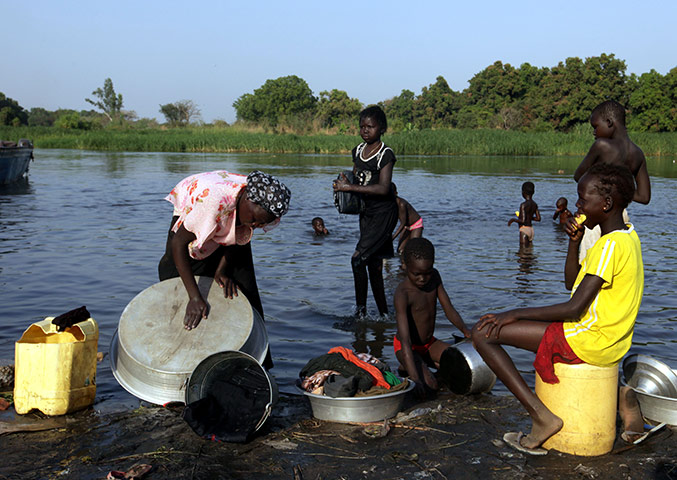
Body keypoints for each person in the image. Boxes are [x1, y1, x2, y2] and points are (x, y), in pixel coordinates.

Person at [472, 163, 643, 455]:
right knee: (493, 328)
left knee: (483, 333)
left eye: (582, 198)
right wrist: (573, 244)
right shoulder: (627, 236)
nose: (577, 205)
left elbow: (574, 308)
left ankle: (541, 417)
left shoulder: (609, 246)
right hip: (609, 341)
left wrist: (514, 312)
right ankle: (619, 396)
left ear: (606, 203)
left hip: (590, 338)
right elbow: (570, 283)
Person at [158, 170, 291, 339]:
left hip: (229, 208)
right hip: (200, 198)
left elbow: (237, 234)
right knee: (176, 275)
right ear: (247, 199)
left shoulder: (255, 210)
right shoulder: (211, 203)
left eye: (261, 223)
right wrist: (194, 297)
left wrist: (221, 270)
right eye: (253, 219)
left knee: (245, 287)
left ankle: (257, 352)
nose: (256, 224)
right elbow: (178, 243)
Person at [333, 106, 398, 319]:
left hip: (384, 213)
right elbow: (357, 178)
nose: (365, 130)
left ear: (382, 128)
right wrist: (344, 183)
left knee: (357, 260)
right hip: (367, 213)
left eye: (370, 126)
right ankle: (384, 315)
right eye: (362, 127)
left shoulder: (385, 155)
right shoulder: (358, 150)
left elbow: (383, 188)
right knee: (374, 267)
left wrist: (349, 188)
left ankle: (360, 314)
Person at [573, 100, 651, 263]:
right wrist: (618, 191)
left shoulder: (601, 146)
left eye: (595, 127)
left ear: (609, 122)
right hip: (621, 219)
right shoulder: (637, 153)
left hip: (596, 216)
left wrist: (604, 188)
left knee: (588, 266)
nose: (594, 132)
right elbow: (644, 197)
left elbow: (578, 176)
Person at [394, 238, 471, 398]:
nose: (422, 279)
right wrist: (416, 379)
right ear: (405, 266)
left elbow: (448, 308)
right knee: (431, 387)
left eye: (427, 273)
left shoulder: (434, 277)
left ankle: (418, 365)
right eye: (417, 274)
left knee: (461, 366)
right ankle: (409, 367)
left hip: (429, 343)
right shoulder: (403, 294)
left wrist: (465, 331)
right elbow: (406, 341)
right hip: (406, 347)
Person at [391, 183, 423, 255]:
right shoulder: (391, 205)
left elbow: (403, 224)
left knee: (413, 249)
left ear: (396, 193)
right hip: (406, 226)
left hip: (416, 225)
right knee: (400, 250)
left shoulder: (401, 204)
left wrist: (392, 237)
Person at [507, 181, 541, 245]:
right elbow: (538, 219)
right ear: (533, 192)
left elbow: (522, 221)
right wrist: (530, 218)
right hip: (531, 230)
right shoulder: (535, 204)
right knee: (529, 251)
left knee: (522, 251)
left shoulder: (523, 205)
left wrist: (513, 220)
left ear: (523, 192)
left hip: (524, 230)